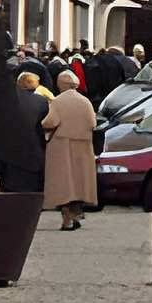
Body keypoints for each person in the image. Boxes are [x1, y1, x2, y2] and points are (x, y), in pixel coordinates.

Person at [41, 71, 100, 231]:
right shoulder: (85, 101)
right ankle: (75, 215)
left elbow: (50, 122)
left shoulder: (57, 102)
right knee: (79, 183)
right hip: (83, 146)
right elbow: (92, 123)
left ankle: (67, 219)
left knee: (64, 185)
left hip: (62, 146)